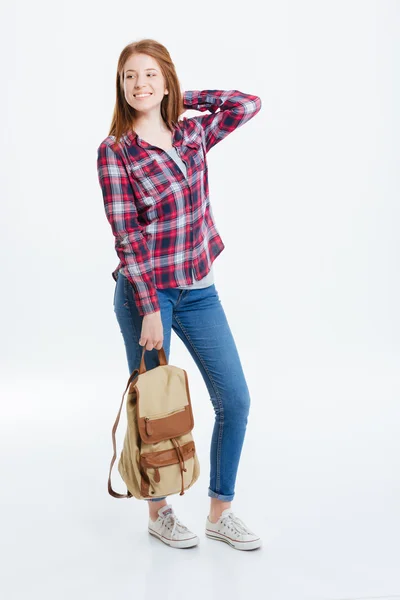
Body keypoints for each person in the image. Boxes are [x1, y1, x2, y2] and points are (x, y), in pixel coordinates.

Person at [97, 38, 263, 551]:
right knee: (157, 409)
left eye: (149, 74)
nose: (139, 84)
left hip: (199, 287)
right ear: (119, 87)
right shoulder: (115, 151)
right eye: (130, 77)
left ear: (165, 79)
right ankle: (159, 512)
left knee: (234, 399)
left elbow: (246, 104)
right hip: (147, 293)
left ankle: (220, 511)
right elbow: (125, 236)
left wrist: (180, 99)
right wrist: (148, 306)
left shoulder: (191, 132)